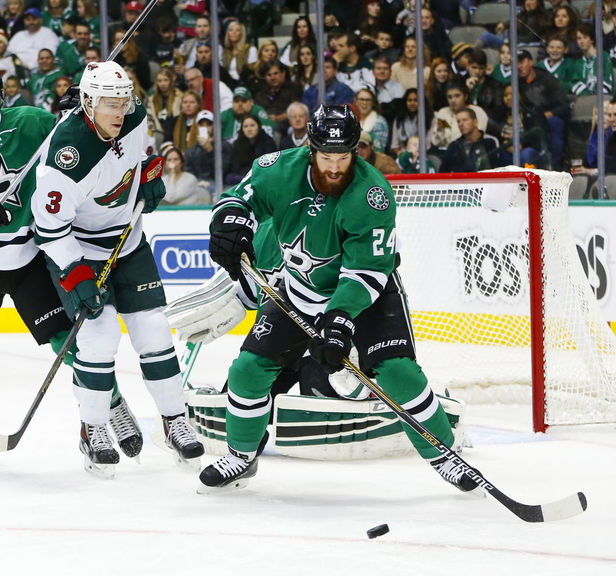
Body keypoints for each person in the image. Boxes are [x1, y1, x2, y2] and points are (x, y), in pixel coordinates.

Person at [200, 104, 476, 492]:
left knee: (397, 372)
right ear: (310, 149)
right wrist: (229, 222)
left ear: (356, 151)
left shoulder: (373, 194)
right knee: (247, 370)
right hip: (298, 291)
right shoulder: (276, 168)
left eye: (343, 157)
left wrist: (341, 320)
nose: (334, 166)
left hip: (367, 296)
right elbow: (238, 199)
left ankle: (445, 454)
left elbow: (365, 270)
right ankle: (241, 456)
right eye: (326, 156)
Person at [0, 62, 142, 465]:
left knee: (72, 347)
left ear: (2, 99)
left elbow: (74, 139)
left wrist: (81, 114)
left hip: (32, 258)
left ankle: (108, 409)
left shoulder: (31, 123)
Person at [30, 60, 204, 476]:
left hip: (129, 241)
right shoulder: (64, 159)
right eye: (109, 103)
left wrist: (148, 177)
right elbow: (49, 230)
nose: (119, 112)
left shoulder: (134, 117)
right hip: (80, 251)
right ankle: (92, 429)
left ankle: (174, 418)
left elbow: (138, 158)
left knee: (154, 331)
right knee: (98, 339)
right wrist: (76, 274)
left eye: (123, 101)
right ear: (87, 103)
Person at [184, 109, 232, 199]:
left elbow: (225, 171)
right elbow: (189, 174)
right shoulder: (191, 151)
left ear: (214, 126)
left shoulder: (225, 146)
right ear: (197, 127)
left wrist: (210, 150)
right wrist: (198, 181)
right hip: (199, 187)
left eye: (209, 124)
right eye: (201, 125)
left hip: (221, 186)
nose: (205, 127)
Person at [440, 108, 500, 173]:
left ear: (475, 122)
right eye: (458, 121)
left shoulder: (489, 143)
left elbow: (496, 169)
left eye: (465, 120)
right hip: (460, 182)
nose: (461, 124)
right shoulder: (454, 146)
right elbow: (442, 172)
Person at [226, 113, 277, 185]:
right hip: (243, 177)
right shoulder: (237, 143)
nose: (249, 129)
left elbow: (270, 167)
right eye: (245, 126)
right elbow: (235, 167)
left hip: (262, 178)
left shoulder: (268, 142)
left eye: (252, 125)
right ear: (242, 129)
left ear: (258, 126)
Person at [8, 8, 60, 75]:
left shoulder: (48, 34)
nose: (31, 22)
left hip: (39, 70)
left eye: (34, 19)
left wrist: (29, 66)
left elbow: (50, 55)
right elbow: (8, 53)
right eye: (28, 20)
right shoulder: (18, 35)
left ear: (40, 20)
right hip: (17, 71)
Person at [354, 87, 389, 153]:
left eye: (368, 100)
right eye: (361, 99)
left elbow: (380, 148)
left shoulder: (380, 121)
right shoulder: (351, 119)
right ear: (356, 102)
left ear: (373, 103)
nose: (364, 103)